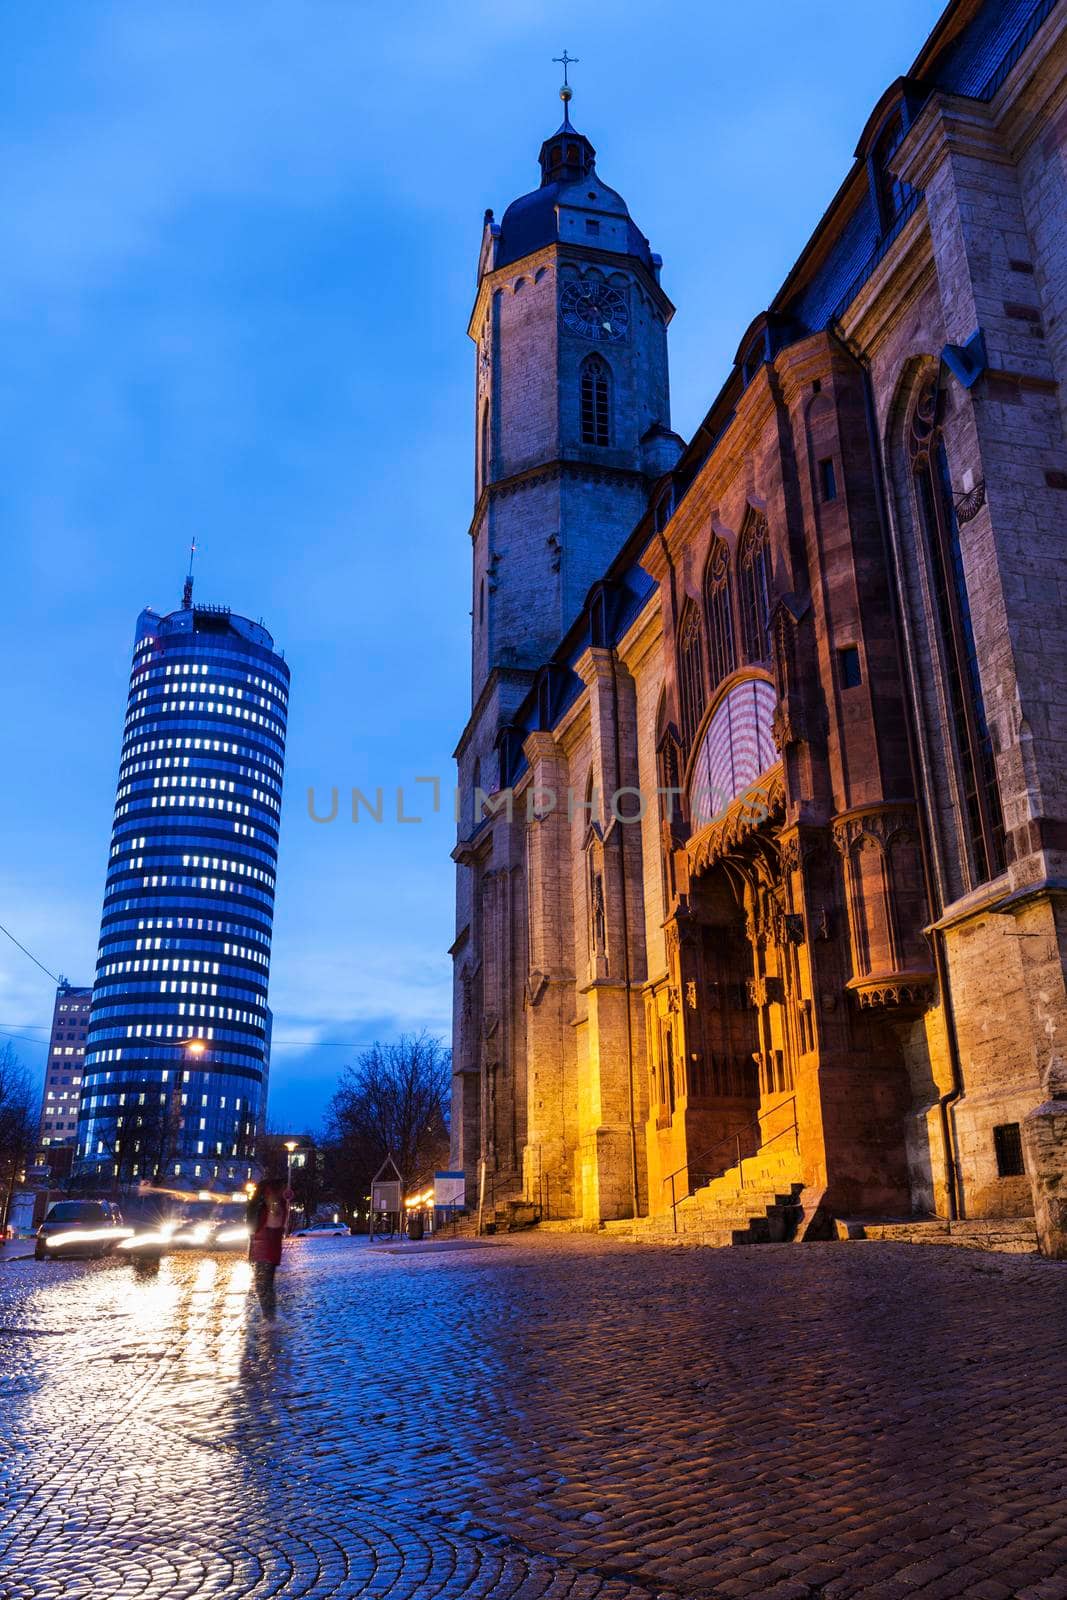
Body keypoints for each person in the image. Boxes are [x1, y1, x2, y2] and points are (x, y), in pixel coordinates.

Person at [246, 1177, 291, 1317]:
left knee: (263, 1285)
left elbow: (273, 1219)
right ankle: (269, 1316)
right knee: (265, 1285)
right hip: (267, 1247)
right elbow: (276, 1220)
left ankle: (269, 1316)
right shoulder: (272, 1200)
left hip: (263, 1247)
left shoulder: (266, 1201)